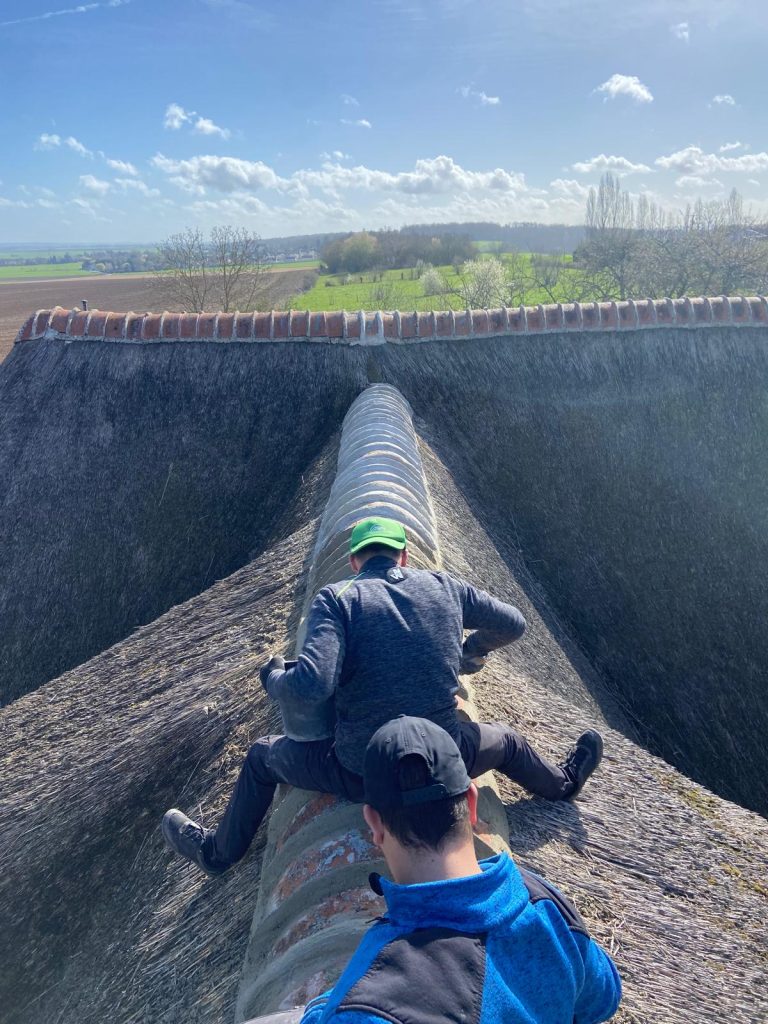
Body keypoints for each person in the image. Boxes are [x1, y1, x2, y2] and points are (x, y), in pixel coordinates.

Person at [162, 516, 604, 876]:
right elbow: (513, 624)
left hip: (361, 771)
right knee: (506, 741)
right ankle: (562, 785)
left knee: (261, 757)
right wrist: (471, 652)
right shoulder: (445, 587)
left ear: (355, 562)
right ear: (405, 556)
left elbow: (312, 685)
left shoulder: (338, 600)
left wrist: (273, 678)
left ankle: (217, 855)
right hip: (445, 757)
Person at [299, 716, 622, 1024]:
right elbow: (603, 998)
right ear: (470, 802)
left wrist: (323, 1006)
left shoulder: (369, 1006)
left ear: (374, 823)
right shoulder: (542, 898)